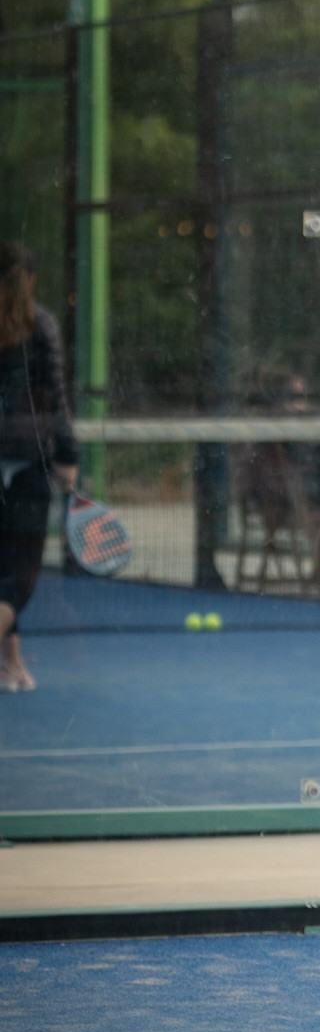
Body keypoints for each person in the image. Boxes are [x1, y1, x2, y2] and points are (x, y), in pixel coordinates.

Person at [0, 241, 78, 693]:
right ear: (29, 280)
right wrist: (68, 456)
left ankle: (10, 663)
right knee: (20, 580)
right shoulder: (41, 324)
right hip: (29, 464)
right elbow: (56, 399)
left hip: (24, 461)